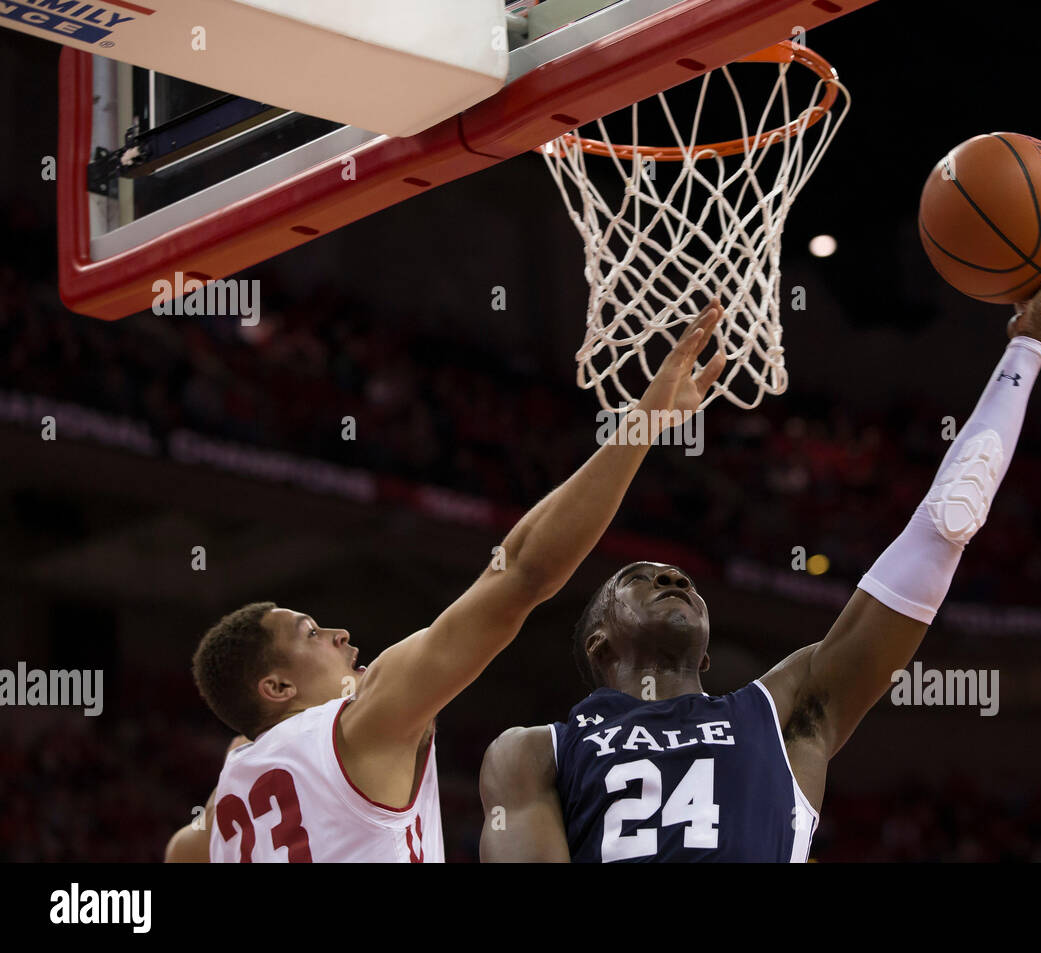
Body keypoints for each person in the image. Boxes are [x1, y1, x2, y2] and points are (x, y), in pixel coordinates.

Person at [478, 214, 1041, 862]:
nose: (672, 576)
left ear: (708, 656)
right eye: (639, 578)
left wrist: (1028, 345)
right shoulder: (536, 753)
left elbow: (946, 519)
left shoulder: (782, 714)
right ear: (600, 644)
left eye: (678, 577)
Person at [164, 301, 728, 862]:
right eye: (310, 633)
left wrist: (239, 765)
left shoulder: (228, 801)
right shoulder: (366, 719)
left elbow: (178, 852)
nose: (340, 634)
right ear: (277, 687)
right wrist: (643, 423)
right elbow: (520, 573)